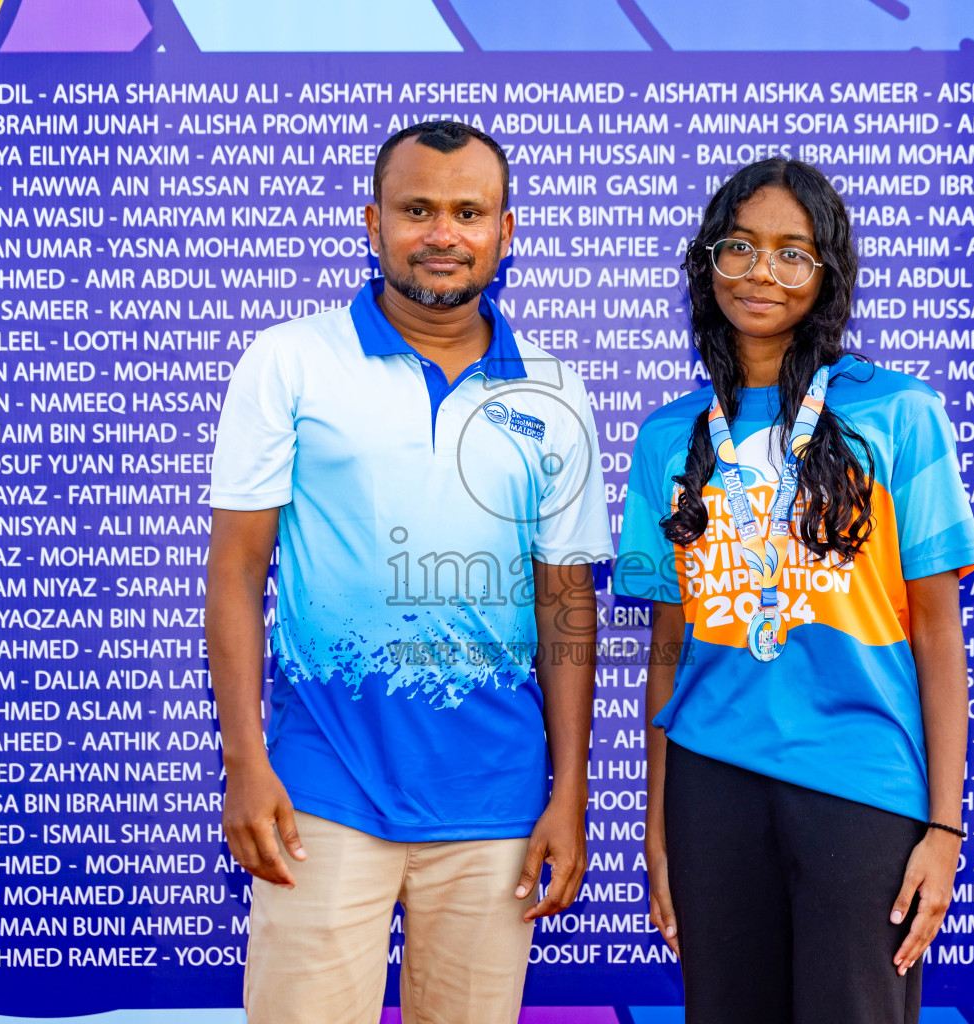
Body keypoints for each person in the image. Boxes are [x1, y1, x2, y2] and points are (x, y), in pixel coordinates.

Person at [206, 120, 614, 1024]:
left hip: (496, 803)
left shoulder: (553, 389)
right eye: (417, 209)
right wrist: (244, 762)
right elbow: (236, 572)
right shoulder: (292, 360)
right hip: (320, 794)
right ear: (373, 222)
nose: (443, 232)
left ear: (505, 232)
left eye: (468, 211)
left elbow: (566, 603)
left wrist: (571, 796)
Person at [612, 158, 974, 1024]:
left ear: (828, 275)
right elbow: (668, 651)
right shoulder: (670, 434)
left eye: (792, 253)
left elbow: (937, 634)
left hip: (860, 788)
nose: (762, 274)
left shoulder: (898, 412)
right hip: (712, 784)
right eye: (738, 247)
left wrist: (945, 828)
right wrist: (659, 830)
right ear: (706, 262)